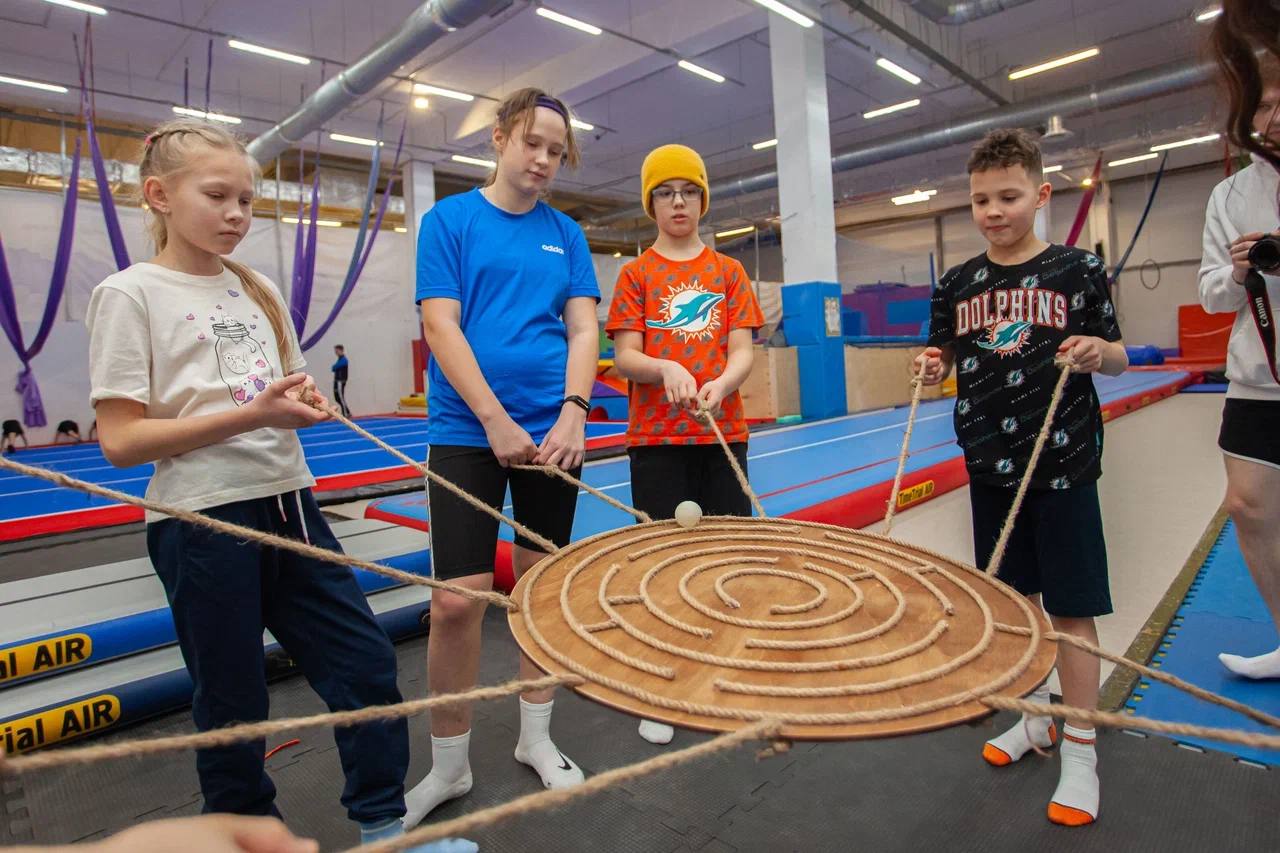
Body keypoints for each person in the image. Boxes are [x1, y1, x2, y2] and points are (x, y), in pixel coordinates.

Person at [85, 118, 439, 850]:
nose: (237, 214)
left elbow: (272, 394)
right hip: (202, 520)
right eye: (217, 196)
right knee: (234, 705)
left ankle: (384, 827)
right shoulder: (130, 293)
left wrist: (296, 408)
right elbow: (120, 439)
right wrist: (251, 412)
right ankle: (249, 840)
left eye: (248, 200)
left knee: (365, 663)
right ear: (158, 195)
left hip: (290, 503)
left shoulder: (256, 285)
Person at [915, 128, 1127, 827]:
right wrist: (931, 365)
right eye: (980, 199)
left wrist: (1100, 351)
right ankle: (1036, 718)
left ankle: (1083, 747)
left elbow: (1120, 353)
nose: (992, 211)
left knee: (1071, 609)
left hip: (1060, 461)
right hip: (988, 464)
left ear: (1040, 193)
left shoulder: (1076, 271)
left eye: (1008, 196)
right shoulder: (957, 283)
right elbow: (942, 352)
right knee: (1016, 607)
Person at [405, 88, 599, 829]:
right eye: (533, 144)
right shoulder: (450, 220)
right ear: (498, 139)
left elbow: (584, 330)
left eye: (556, 150)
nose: (545, 160)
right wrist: (492, 419)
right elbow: (439, 322)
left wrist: (574, 412)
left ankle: (535, 739)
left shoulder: (567, 233)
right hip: (466, 429)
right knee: (455, 600)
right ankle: (448, 766)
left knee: (541, 592)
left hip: (554, 433)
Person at [605, 143, 764, 746]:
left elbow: (743, 348)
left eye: (689, 191)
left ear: (702, 200)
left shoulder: (728, 273)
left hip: (722, 436)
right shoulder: (636, 274)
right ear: (651, 203)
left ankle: (728, 671)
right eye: (666, 192)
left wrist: (722, 382)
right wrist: (664, 367)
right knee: (663, 562)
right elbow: (624, 355)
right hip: (657, 440)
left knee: (729, 557)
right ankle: (665, 684)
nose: (679, 202)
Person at [1197, 1, 1280, 679]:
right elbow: (1212, 293)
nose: (1273, 115)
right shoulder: (1230, 196)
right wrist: (1241, 269)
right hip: (1256, 379)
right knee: (1249, 506)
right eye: (1264, 101)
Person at [332, 345, 352, 418]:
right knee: (337, 398)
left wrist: (335, 367)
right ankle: (347, 412)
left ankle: (345, 413)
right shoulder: (339, 359)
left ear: (341, 350)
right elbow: (333, 368)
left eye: (337, 351)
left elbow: (335, 367)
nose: (336, 352)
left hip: (340, 381)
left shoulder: (344, 359)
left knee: (340, 397)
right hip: (337, 381)